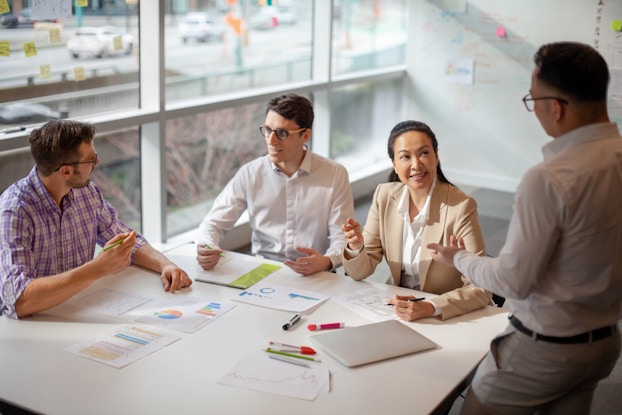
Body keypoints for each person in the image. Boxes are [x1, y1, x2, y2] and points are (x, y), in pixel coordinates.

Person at [428, 41, 622, 414]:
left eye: (532, 101)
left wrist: (461, 259)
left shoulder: (549, 179)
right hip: (604, 344)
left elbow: (514, 281)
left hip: (544, 349)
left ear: (556, 108)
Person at [0, 120, 192, 320]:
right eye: (91, 159)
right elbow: (19, 300)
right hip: (31, 325)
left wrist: (165, 265)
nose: (97, 163)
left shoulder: (87, 193)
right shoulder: (14, 211)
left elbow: (126, 241)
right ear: (66, 171)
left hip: (77, 310)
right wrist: (97, 268)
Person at [341, 120, 492, 321]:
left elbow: (482, 287)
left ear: (436, 157)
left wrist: (431, 306)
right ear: (394, 164)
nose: (416, 165)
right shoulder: (384, 196)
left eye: (424, 153)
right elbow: (359, 273)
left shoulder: (461, 207)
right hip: (397, 310)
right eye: (405, 156)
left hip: (446, 314)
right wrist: (356, 246)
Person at [195, 93, 354, 275]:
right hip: (262, 272)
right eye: (267, 130)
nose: (271, 140)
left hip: (316, 273)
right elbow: (212, 224)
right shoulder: (250, 173)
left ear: (305, 135)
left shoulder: (334, 174)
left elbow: (342, 237)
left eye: (282, 133)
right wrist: (207, 247)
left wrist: (327, 261)